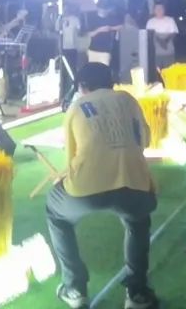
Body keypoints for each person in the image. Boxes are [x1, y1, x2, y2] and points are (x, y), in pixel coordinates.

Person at [47, 63, 159, 309]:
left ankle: (75, 288)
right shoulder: (129, 100)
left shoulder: (76, 107)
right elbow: (146, 140)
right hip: (134, 185)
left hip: (86, 189)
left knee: (56, 214)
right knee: (138, 221)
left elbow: (71, 157)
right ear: (111, 82)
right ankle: (137, 293)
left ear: (82, 86)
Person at [146, 3, 178, 69]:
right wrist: (160, 41)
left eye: (161, 8)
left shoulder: (170, 20)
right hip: (156, 53)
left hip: (169, 52)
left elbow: (174, 33)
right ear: (154, 10)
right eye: (157, 9)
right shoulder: (150, 22)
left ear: (164, 10)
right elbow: (150, 34)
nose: (159, 10)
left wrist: (165, 41)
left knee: (169, 71)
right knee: (158, 71)